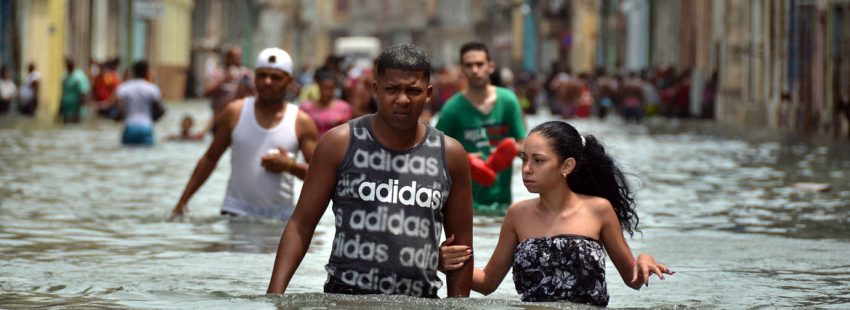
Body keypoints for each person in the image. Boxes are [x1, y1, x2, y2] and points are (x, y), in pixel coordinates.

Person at [267, 43, 473, 298]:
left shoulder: (450, 155)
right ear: (375, 90)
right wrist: (273, 297)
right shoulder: (339, 143)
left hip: (420, 301)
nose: (402, 99)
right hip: (345, 298)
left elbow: (461, 249)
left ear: (429, 93)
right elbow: (301, 224)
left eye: (413, 90)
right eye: (391, 89)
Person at [439, 121, 673, 307]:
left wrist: (643, 260)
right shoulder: (517, 214)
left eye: (538, 161)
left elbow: (632, 280)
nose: (526, 169)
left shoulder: (599, 210)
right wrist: (439, 263)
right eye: (524, 159)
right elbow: (488, 282)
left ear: (566, 166)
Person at [171, 47, 319, 220]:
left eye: (276, 77)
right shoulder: (235, 112)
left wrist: (290, 166)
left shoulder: (301, 121)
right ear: (254, 77)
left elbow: (320, 175)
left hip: (280, 218)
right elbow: (210, 158)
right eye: (262, 75)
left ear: (289, 81)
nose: (268, 82)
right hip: (235, 212)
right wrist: (182, 202)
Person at [435, 42, 526, 215]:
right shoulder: (452, 108)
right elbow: (434, 152)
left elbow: (526, 145)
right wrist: (463, 159)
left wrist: (508, 151)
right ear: (462, 69)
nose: (475, 70)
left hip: (502, 204)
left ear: (490, 67)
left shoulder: (508, 101)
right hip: (466, 207)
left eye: (479, 64)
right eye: (469, 65)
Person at [204, 46, 254, 133]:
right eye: (234, 57)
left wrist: (247, 88)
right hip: (220, 118)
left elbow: (256, 94)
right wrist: (223, 81)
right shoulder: (218, 73)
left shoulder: (247, 74)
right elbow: (206, 93)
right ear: (227, 58)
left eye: (238, 57)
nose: (236, 60)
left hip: (241, 118)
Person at [115, 60, 165, 145]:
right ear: (147, 72)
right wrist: (152, 120)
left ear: (133, 72)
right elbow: (160, 110)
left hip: (129, 126)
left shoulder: (123, 88)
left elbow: (119, 110)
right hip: (146, 127)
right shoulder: (152, 88)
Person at [298, 66, 353, 138]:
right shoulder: (306, 107)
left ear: (334, 88)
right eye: (324, 88)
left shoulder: (344, 108)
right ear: (319, 87)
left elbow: (349, 133)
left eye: (330, 88)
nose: (326, 92)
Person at [59, 57, 91, 123]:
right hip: (66, 108)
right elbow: (63, 92)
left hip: (76, 109)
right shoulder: (64, 76)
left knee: (76, 125)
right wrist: (60, 108)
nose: (69, 65)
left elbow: (83, 94)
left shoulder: (79, 76)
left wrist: (79, 109)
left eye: (70, 64)